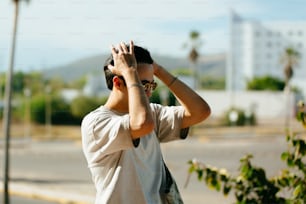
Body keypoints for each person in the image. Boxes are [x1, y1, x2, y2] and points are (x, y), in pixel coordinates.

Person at [81, 40, 211, 204]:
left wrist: (158, 70)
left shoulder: (152, 113)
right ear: (118, 82)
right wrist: (130, 72)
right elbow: (141, 124)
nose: (149, 93)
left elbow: (200, 111)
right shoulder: (96, 122)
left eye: (151, 85)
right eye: (143, 85)